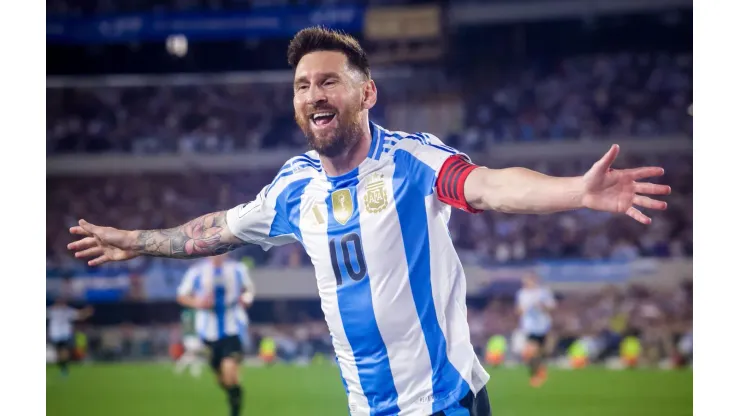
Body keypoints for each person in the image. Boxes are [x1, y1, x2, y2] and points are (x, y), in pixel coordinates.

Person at [67, 27, 670, 416]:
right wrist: (138, 243)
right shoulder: (294, 185)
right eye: (303, 85)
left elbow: (486, 187)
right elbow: (216, 229)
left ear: (367, 93)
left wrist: (576, 191)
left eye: (329, 80)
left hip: (443, 403)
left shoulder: (409, 159)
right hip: (367, 409)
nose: (314, 94)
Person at [175, 253, 254, 416]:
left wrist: (246, 299)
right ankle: (235, 394)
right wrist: (197, 302)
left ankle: (235, 411)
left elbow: (249, 290)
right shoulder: (197, 271)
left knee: (230, 372)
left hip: (232, 328)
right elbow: (182, 295)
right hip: (208, 333)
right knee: (223, 380)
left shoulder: (238, 269)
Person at [516, 273, 556, 387]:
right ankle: (535, 375)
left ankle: (539, 371)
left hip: (543, 326)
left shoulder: (543, 293)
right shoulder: (522, 294)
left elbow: (551, 307)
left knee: (542, 352)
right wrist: (523, 309)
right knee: (531, 352)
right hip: (529, 327)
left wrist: (541, 306)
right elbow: (518, 310)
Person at [46, 297, 93, 377]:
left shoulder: (67, 311)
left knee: (64, 351)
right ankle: (63, 367)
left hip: (64, 334)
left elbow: (80, 315)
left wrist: (87, 312)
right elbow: (80, 315)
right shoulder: (53, 311)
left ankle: (65, 368)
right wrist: (87, 312)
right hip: (56, 334)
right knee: (59, 353)